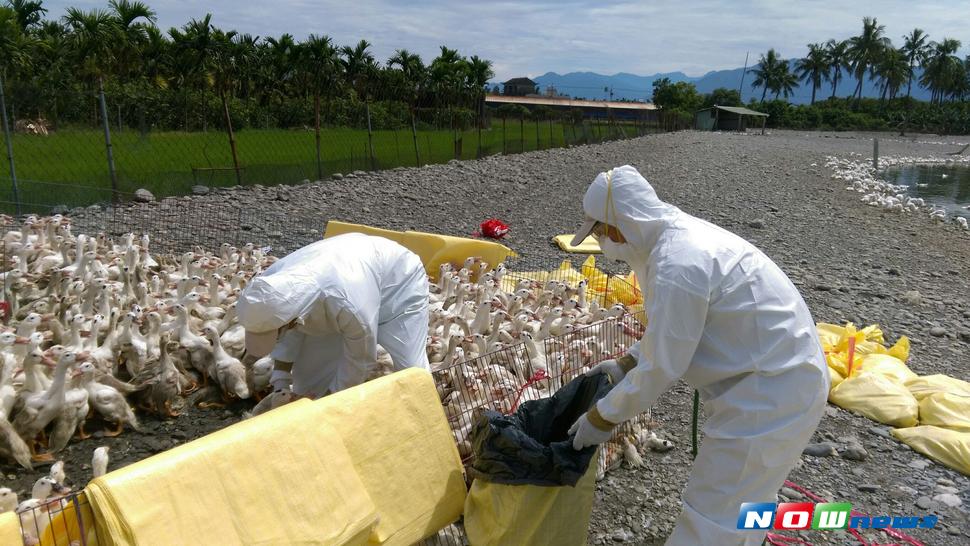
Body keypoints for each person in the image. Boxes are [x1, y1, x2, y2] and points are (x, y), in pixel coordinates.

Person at [566, 165, 828, 546]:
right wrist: (628, 362)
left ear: (622, 225)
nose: (604, 243)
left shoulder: (678, 264)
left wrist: (602, 417)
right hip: (780, 378)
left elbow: (663, 366)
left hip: (770, 394)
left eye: (603, 232)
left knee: (714, 511)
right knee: (747, 502)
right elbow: (676, 331)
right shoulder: (674, 241)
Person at [236, 233, 431, 398]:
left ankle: (426, 423)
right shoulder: (272, 285)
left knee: (412, 372)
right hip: (344, 274)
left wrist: (330, 402)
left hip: (398, 284)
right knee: (308, 382)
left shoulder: (348, 305)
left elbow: (361, 359)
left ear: (291, 321)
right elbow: (285, 331)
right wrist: (281, 381)